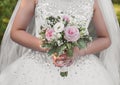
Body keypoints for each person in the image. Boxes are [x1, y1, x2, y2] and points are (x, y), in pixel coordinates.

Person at [0, 0, 120, 85]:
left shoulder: (92, 1)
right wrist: (48, 47)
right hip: (39, 64)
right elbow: (16, 31)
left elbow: (105, 38)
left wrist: (78, 51)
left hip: (81, 67)